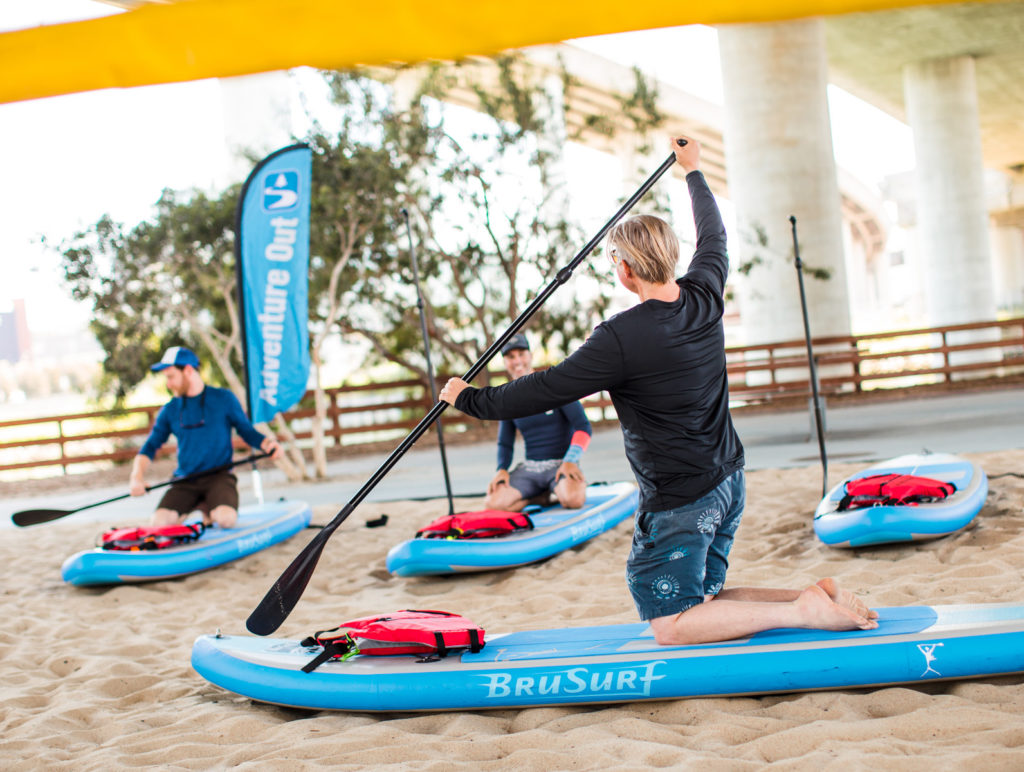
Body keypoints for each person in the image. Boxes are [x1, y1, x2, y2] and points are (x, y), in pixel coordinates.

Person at [440, 135, 878, 645]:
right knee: (700, 600)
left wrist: (467, 397)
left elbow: (541, 390)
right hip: (729, 481)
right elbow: (714, 236)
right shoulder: (705, 291)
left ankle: (803, 611)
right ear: (672, 256)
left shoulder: (618, 339)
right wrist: (692, 171)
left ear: (625, 272)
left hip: (681, 498)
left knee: (670, 623)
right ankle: (811, 599)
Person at [128, 346, 282, 528]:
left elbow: (246, 431)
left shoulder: (223, 399)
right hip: (185, 481)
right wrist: (136, 477)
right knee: (159, 523)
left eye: (171, 377)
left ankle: (211, 508)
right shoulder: (170, 410)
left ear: (188, 370)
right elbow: (150, 446)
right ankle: (203, 509)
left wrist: (268, 444)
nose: (168, 384)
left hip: (219, 477)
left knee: (226, 519)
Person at [486, 332, 592, 512]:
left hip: (561, 464)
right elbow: (505, 442)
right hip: (531, 469)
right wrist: (501, 469)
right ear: (505, 362)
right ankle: (538, 496)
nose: (517, 360)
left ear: (530, 356)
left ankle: (557, 489)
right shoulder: (507, 399)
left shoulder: (553, 385)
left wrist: (571, 460)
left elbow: (583, 427)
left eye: (521, 354)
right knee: (493, 503)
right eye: (511, 357)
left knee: (573, 500)